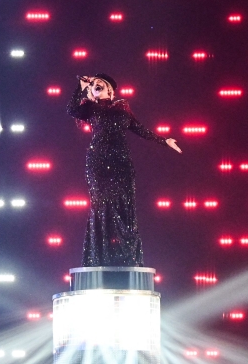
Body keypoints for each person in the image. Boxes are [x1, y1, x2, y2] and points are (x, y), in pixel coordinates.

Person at [67, 73, 182, 267]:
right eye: (94, 84)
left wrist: (164, 141)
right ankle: (100, 258)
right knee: (102, 207)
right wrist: (80, 87)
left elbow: (139, 129)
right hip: (98, 163)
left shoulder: (122, 109)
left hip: (121, 163)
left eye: (100, 83)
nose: (96, 84)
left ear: (110, 89)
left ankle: (126, 257)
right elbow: (71, 110)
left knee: (124, 205)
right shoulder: (90, 108)